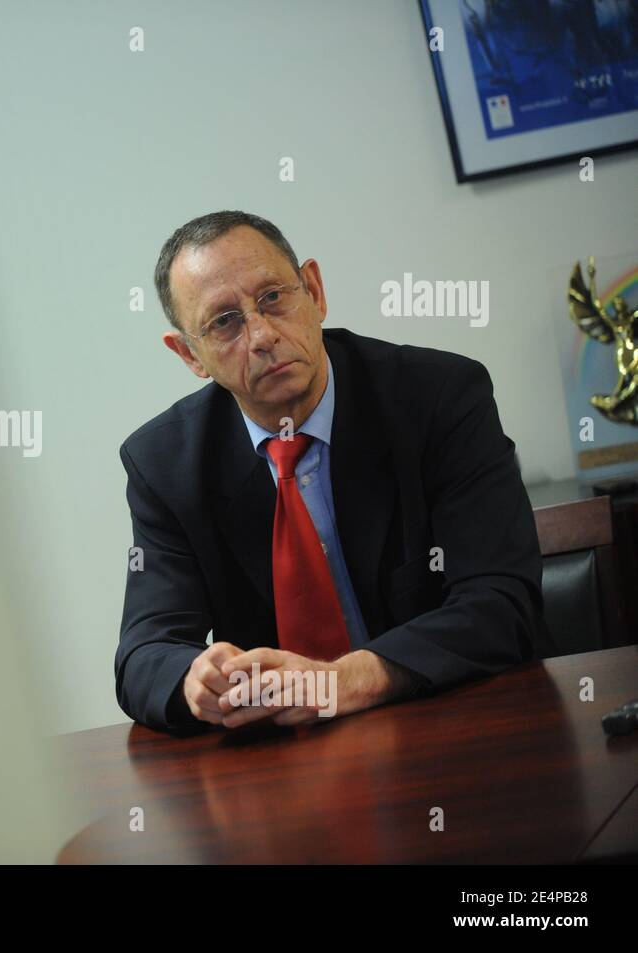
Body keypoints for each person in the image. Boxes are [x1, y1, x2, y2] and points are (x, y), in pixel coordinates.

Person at [117, 210, 551, 734]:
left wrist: (344, 681)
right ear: (190, 355)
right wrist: (193, 678)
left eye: (273, 297)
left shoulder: (438, 397)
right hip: (291, 769)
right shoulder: (164, 465)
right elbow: (143, 653)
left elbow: (501, 603)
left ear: (315, 292)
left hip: (463, 728)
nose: (260, 335)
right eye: (224, 322)